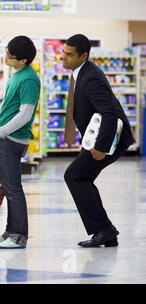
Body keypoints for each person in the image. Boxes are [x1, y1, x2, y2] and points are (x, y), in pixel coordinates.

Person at [62, 34, 135, 248]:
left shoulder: (91, 76)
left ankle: (104, 229)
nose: (63, 58)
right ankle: (106, 232)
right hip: (101, 137)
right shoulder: (81, 73)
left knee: (74, 176)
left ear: (83, 55)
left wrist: (101, 147)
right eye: (63, 52)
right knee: (81, 177)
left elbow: (110, 113)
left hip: (109, 139)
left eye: (69, 54)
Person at [0, 36, 40, 249]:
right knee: (9, 188)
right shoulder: (16, 75)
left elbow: (25, 113)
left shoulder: (28, 80)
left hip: (13, 139)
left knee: (13, 189)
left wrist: (2, 133)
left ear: (23, 60)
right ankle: (10, 232)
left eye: (10, 54)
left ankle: (19, 236)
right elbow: (5, 110)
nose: (5, 56)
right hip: (4, 138)